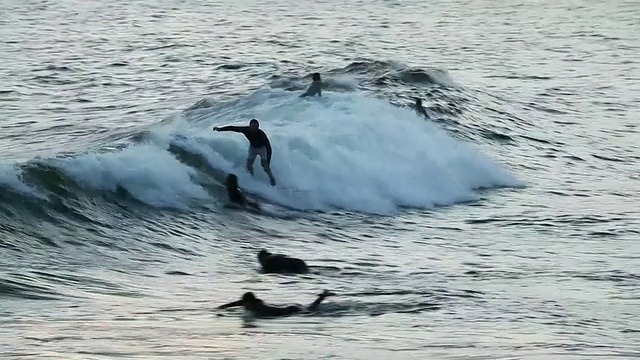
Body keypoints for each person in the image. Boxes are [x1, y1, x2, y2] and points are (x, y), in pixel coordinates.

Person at [213, 119, 277, 186]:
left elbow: (268, 147)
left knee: (265, 166)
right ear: (249, 126)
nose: (253, 129)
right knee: (249, 165)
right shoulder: (246, 130)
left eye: (255, 127)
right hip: (253, 148)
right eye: (252, 127)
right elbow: (232, 128)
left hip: (262, 148)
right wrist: (219, 129)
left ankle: (271, 178)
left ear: (258, 127)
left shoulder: (261, 134)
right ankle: (252, 180)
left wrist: (268, 160)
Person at [217, 290, 335, 318]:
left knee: (312, 310)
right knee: (310, 307)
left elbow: (273, 316)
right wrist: (224, 307)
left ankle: (322, 296)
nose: (244, 306)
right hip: (287, 307)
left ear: (250, 302)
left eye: (245, 303)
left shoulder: (259, 308)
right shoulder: (252, 303)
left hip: (290, 310)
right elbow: (239, 303)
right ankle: (322, 296)